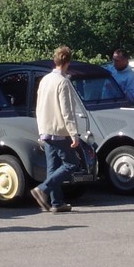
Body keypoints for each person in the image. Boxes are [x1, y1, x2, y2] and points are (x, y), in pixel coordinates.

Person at [31, 45, 81, 213]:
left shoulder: (45, 80)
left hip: (45, 128)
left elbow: (38, 106)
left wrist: (40, 128)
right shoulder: (63, 82)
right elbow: (67, 111)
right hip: (59, 130)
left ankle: (56, 202)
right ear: (68, 62)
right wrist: (74, 133)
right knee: (71, 163)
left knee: (52, 167)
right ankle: (42, 189)